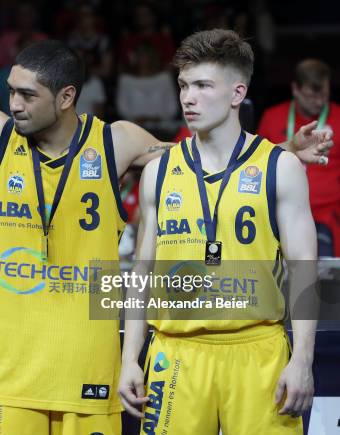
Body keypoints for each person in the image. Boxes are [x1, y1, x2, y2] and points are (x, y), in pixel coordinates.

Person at [0, 38, 331, 434]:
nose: (15, 104)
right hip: (9, 373)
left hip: (90, 369)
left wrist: (282, 155)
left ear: (67, 96)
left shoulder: (116, 142)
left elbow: (204, 155)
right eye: (11, 93)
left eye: (27, 95)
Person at [120, 29, 317, 434]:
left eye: (203, 85)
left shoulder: (280, 168)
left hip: (258, 351)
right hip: (175, 354)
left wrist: (301, 360)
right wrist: (128, 359)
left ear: (237, 93)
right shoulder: (158, 173)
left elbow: (303, 269)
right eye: (183, 85)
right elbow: (142, 274)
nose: (188, 97)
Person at [258, 59, 340, 257]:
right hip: (279, 211)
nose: (319, 102)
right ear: (295, 89)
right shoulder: (272, 116)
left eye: (324, 95)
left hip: (327, 214)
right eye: (312, 96)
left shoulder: (339, 116)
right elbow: (258, 163)